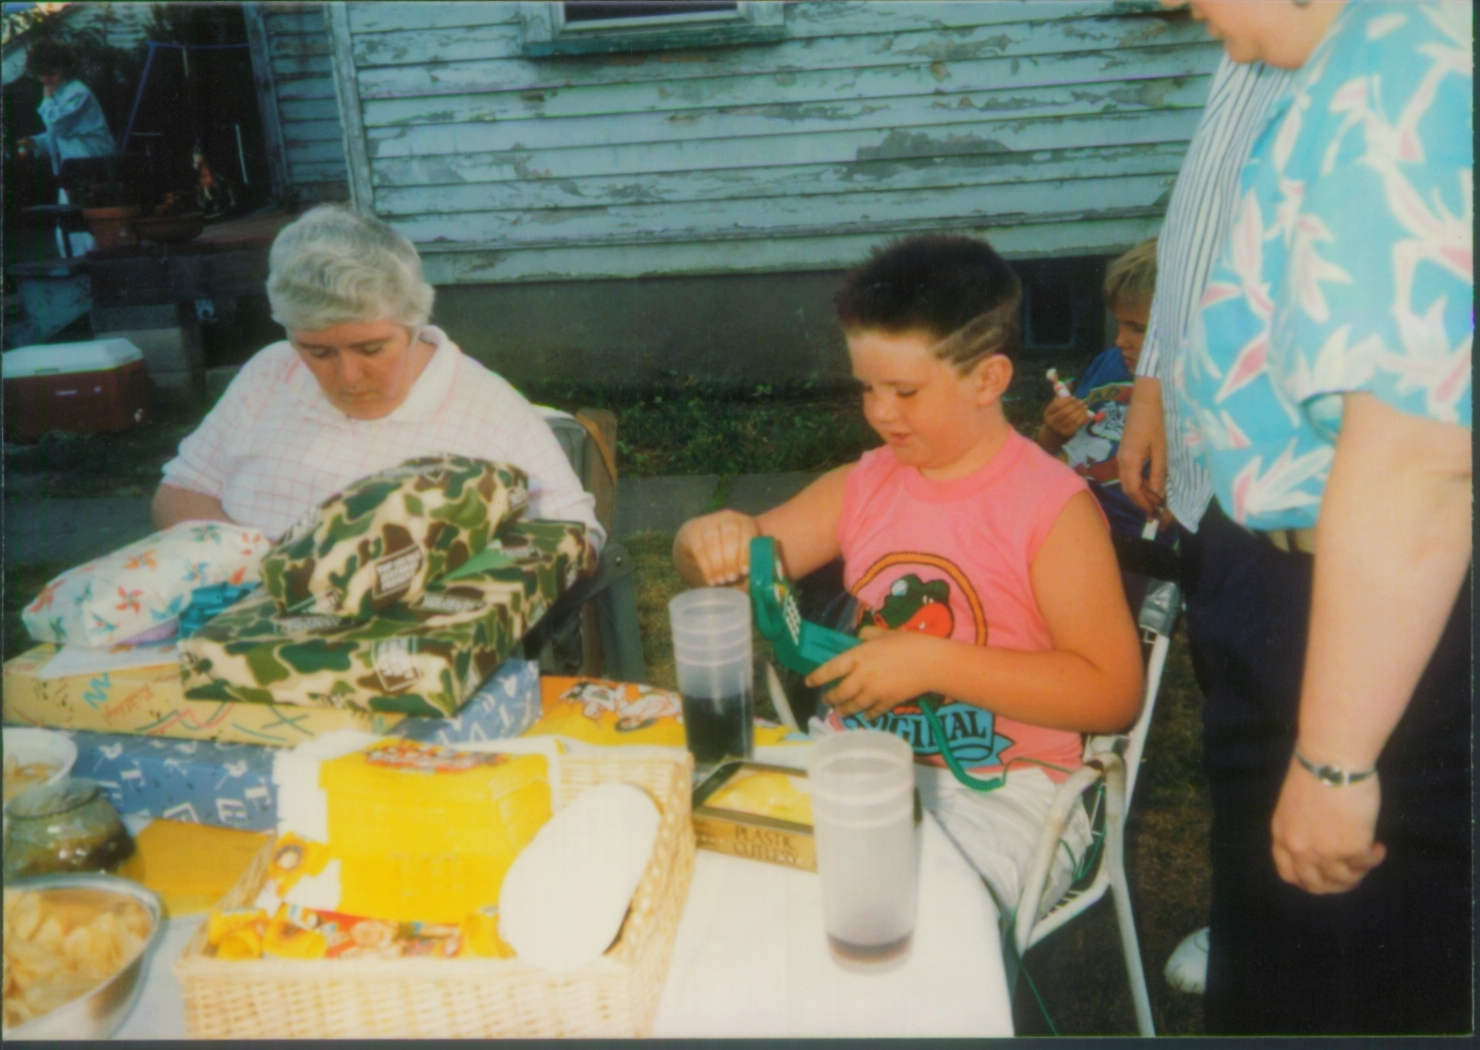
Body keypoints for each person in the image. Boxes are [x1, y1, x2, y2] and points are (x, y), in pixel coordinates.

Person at [674, 234, 1143, 917]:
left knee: (905, 906)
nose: (880, 412)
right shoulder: (864, 485)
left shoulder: (1051, 509)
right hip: (853, 763)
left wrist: (929, 661)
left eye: (904, 391)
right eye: (867, 387)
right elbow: (737, 563)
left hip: (1004, 791)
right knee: (712, 873)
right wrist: (704, 542)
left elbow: (1112, 693)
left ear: (988, 380)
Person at [1166, 0, 1471, 1034]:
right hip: (1291, 581)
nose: (1175, 5)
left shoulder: (1397, 68)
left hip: (1367, 619)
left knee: (1336, 988)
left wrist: (1335, 760)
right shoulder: (1348, 65)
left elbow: (1421, 459)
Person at [1113, 45, 1296, 1003]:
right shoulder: (1243, 50)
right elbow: (1196, 229)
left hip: (1298, 469)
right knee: (1238, 715)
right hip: (1212, 464)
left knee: (1302, 720)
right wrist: (1152, 389)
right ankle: (1253, 921)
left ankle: (1291, 940)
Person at [153, 204, 603, 550]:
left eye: (371, 349)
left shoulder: (488, 408)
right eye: (318, 351)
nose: (348, 376)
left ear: (413, 324)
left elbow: (575, 537)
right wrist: (261, 569)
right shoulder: (270, 372)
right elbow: (179, 493)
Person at [1036, 237, 1163, 540]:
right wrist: (1054, 429)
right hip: (1061, 510)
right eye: (1119, 324)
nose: (1120, 341)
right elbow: (1052, 451)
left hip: (1128, 534)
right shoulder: (1109, 363)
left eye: (1138, 328)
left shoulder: (1193, 385)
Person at [15, 41, 116, 257]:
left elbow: (58, 125)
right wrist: (36, 142)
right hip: (72, 165)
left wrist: (46, 99)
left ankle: (96, 263)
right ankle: (80, 265)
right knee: (71, 221)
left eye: (51, 73)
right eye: (41, 75)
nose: (46, 80)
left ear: (64, 69)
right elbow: (58, 134)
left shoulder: (78, 92)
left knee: (90, 220)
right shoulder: (60, 92)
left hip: (91, 162)